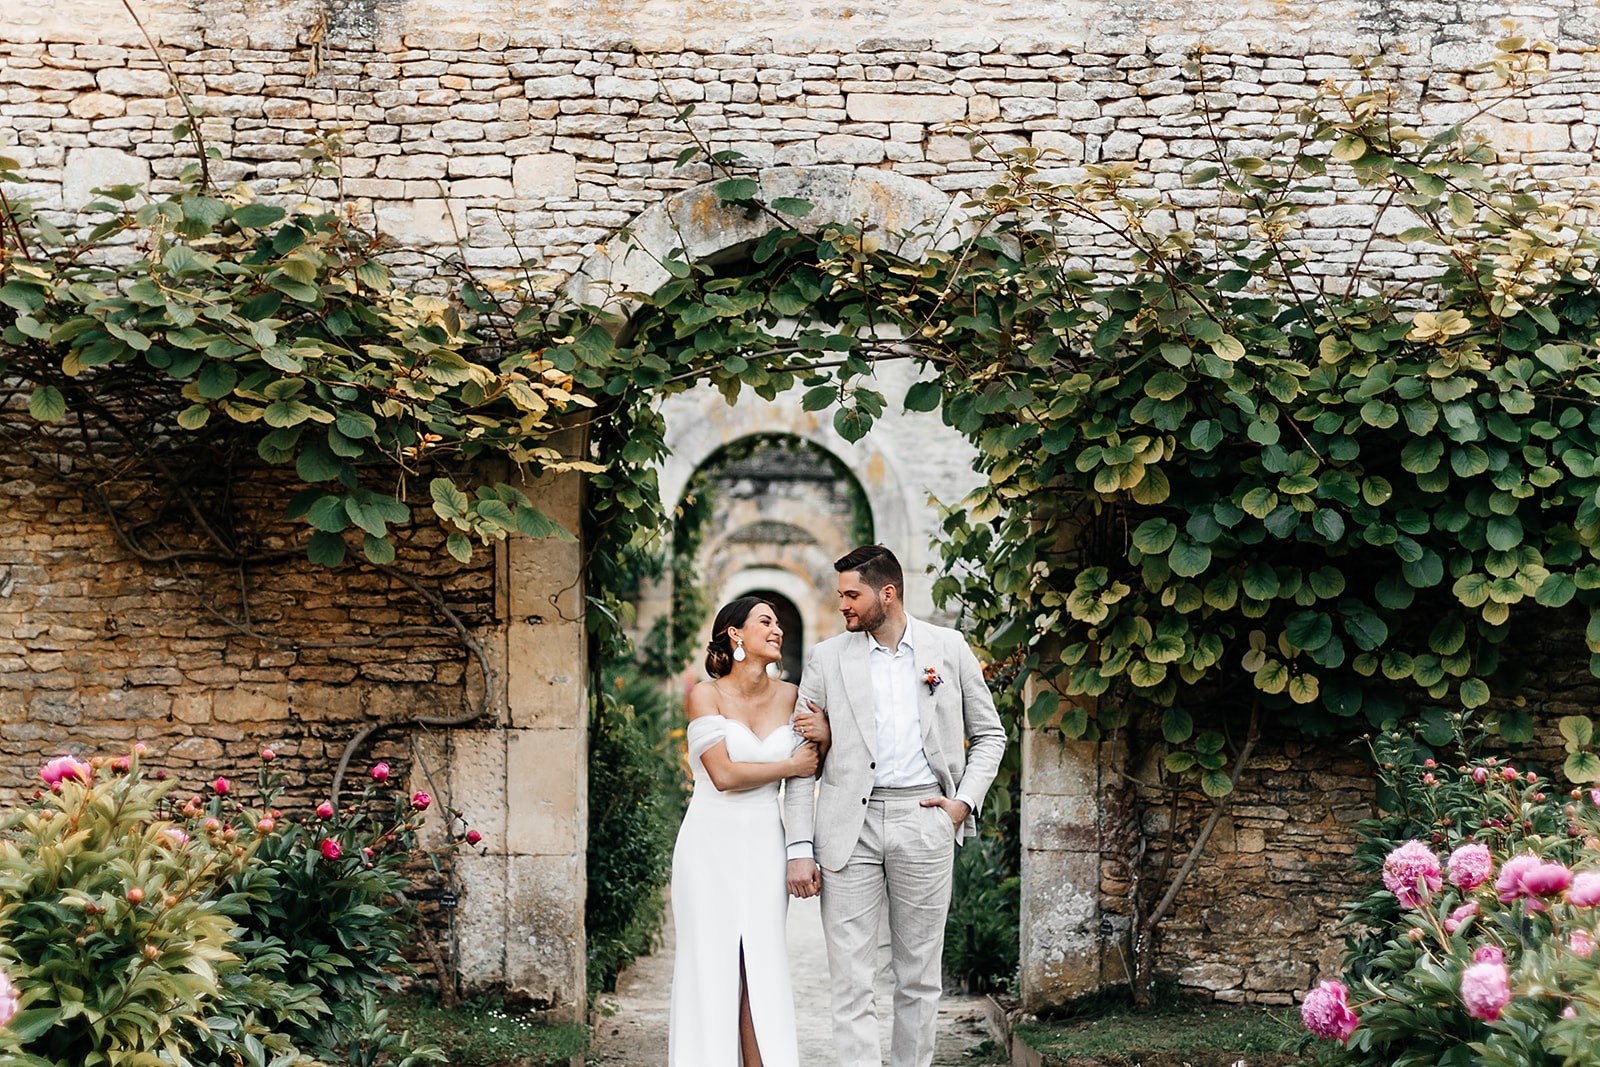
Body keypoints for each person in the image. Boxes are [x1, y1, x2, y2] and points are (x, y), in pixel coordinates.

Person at [782, 545, 1007, 1067]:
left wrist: (962, 804)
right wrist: (799, 846)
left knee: (919, 979)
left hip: (924, 819)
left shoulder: (947, 649)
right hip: (847, 829)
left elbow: (990, 735)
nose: (843, 605)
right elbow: (802, 758)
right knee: (851, 981)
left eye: (851, 594)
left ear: (888, 593)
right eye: (840, 595)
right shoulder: (827, 658)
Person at [668, 595, 830, 1067]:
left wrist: (824, 733)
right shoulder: (706, 694)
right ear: (735, 634)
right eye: (766, 621)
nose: (777, 629)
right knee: (711, 963)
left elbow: (822, 760)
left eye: (778, 623)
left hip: (764, 841)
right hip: (708, 841)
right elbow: (722, 775)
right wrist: (790, 763)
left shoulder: (795, 697)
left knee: (759, 962)